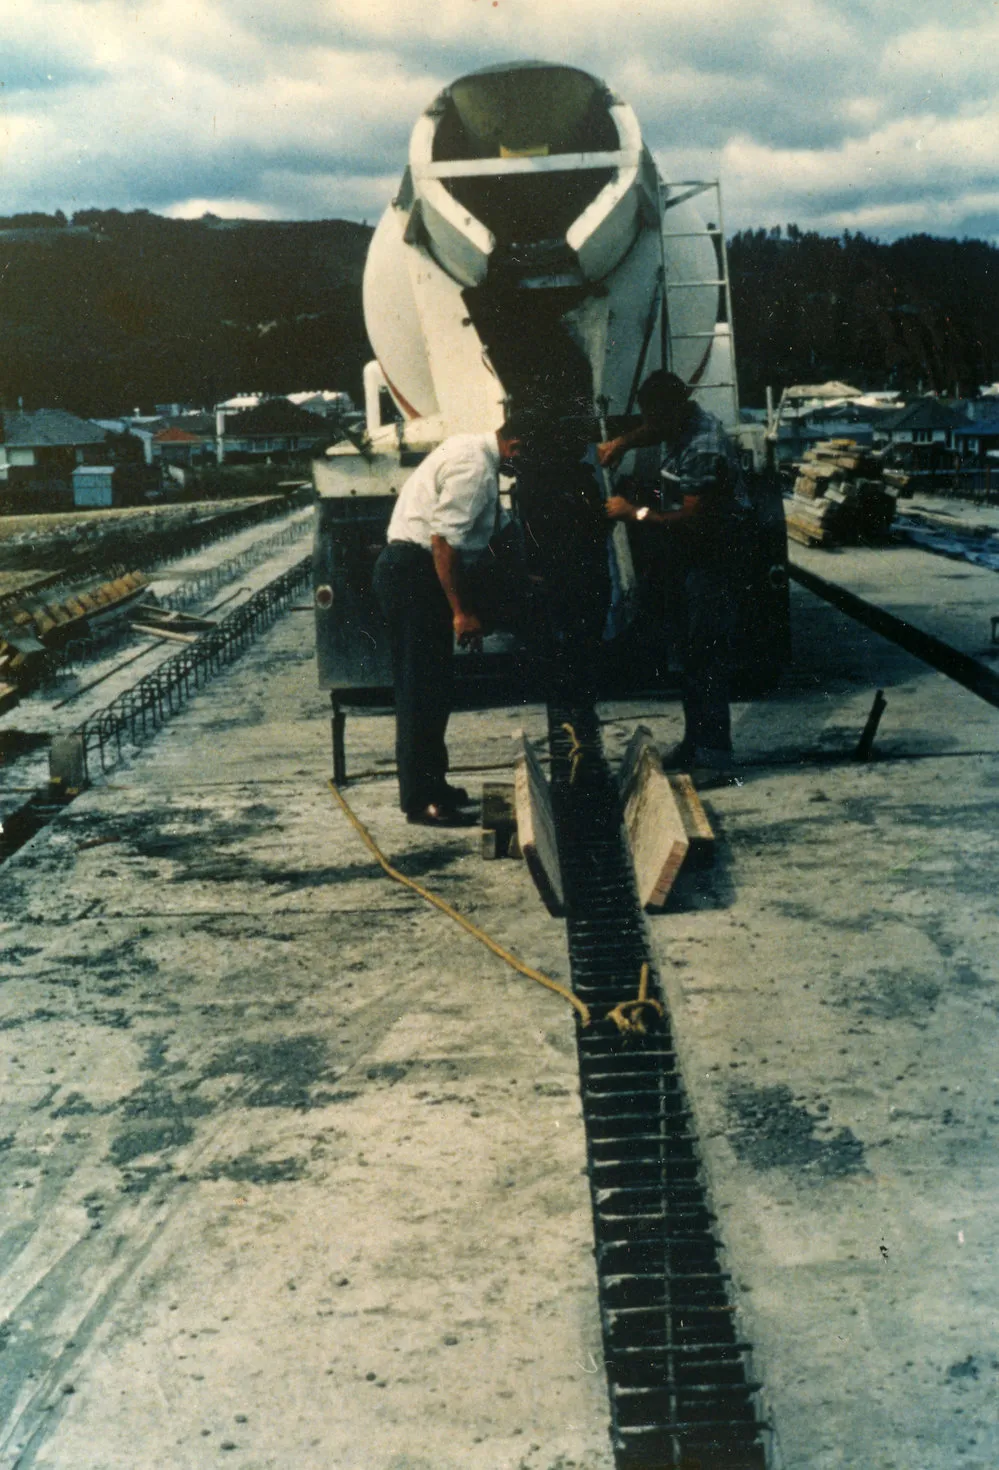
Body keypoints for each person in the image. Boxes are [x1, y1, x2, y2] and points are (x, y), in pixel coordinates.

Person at [372, 418, 525, 826]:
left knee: (434, 687)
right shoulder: (475, 466)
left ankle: (434, 784)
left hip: (421, 574)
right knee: (420, 689)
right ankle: (421, 801)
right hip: (414, 573)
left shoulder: (476, 456)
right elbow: (442, 544)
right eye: (527, 457)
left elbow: (495, 532)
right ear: (515, 444)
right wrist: (463, 612)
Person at [599, 370, 745, 782]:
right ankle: (697, 742)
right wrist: (621, 443)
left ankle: (715, 757)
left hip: (713, 560)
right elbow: (653, 430)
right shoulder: (680, 422)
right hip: (691, 560)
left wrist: (635, 513)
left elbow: (690, 520)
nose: (652, 426)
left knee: (706, 653)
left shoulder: (704, 446)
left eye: (655, 418)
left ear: (674, 410)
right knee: (687, 652)